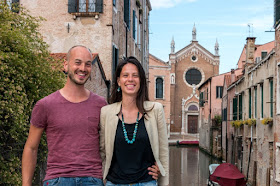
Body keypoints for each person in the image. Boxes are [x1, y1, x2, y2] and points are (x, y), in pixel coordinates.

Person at [22, 45, 107, 186]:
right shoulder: (45, 105)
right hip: (57, 179)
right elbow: (31, 148)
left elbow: (110, 145)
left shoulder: (101, 104)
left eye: (88, 64)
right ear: (66, 65)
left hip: (92, 179)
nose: (83, 69)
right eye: (78, 62)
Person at [100, 56, 169, 186]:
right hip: (114, 183)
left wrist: (162, 173)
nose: (130, 79)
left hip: (146, 182)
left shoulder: (156, 110)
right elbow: (102, 151)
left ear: (141, 81)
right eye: (125, 75)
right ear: (119, 81)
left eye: (135, 75)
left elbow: (163, 151)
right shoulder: (106, 112)